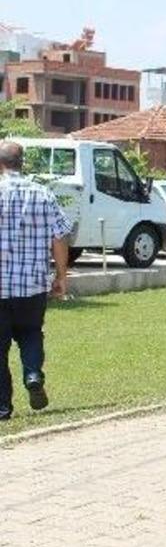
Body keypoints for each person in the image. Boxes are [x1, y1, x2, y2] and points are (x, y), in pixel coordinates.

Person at [0, 141, 72, 420]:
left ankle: (3, 407)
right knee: (31, 332)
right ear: (23, 163)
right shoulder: (43, 194)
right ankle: (32, 374)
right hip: (32, 284)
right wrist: (61, 276)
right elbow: (60, 236)